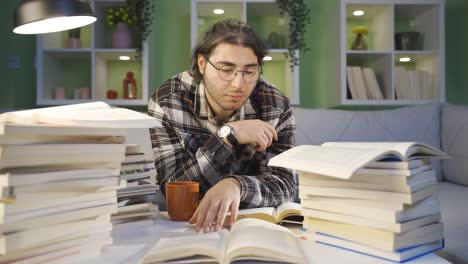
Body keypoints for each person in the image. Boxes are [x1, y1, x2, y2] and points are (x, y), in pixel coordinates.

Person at [148, 20, 296, 233]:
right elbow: (175, 191)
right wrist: (229, 135)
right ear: (202, 64)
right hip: (184, 226)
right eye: (226, 69)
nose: (238, 84)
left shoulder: (275, 104)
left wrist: (236, 186)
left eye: (249, 71)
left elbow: (285, 185)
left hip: (250, 226)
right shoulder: (168, 100)